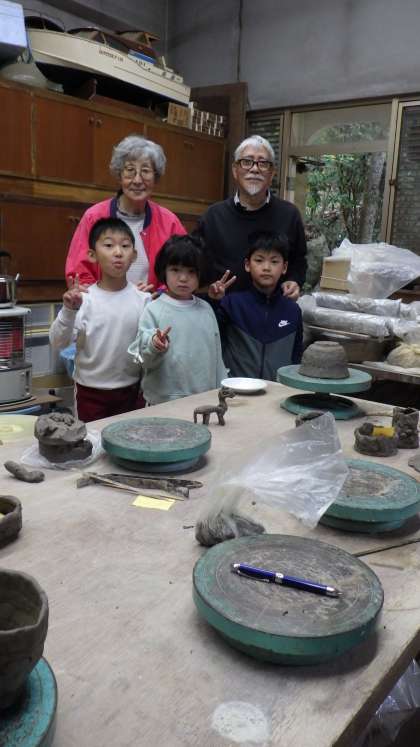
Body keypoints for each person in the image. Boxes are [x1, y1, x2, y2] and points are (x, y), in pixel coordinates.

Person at [50, 217, 151, 422]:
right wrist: (69, 310)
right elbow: (58, 342)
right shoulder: (83, 300)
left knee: (129, 439)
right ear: (92, 255)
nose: (118, 252)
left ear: (134, 255)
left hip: (132, 391)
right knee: (91, 440)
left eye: (125, 246)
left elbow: (148, 349)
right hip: (89, 393)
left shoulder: (143, 300)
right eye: (108, 245)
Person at [65, 135, 186, 290]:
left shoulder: (169, 222)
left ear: (155, 177)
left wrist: (162, 293)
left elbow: (185, 267)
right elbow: (79, 272)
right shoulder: (94, 217)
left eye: (145, 171)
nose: (137, 180)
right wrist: (99, 295)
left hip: (153, 303)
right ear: (119, 175)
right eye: (130, 170)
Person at [199, 134, 307, 300]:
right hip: (223, 309)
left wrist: (294, 280)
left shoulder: (289, 215)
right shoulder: (213, 216)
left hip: (273, 309)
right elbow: (196, 264)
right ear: (235, 170)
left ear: (272, 174)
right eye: (247, 161)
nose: (255, 169)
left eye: (263, 163)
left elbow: (299, 260)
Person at [128, 234, 232, 405]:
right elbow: (141, 358)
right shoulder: (153, 309)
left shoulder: (206, 309)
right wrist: (154, 344)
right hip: (163, 402)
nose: (183, 278)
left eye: (191, 271)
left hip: (204, 399)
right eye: (175, 270)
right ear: (164, 270)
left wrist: (221, 390)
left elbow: (216, 357)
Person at [215, 231, 303, 381]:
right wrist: (214, 300)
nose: (266, 267)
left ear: (284, 267)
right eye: (259, 260)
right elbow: (214, 346)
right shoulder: (231, 304)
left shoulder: (292, 311)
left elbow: (296, 359)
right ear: (247, 265)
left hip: (279, 390)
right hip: (236, 389)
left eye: (274, 261)